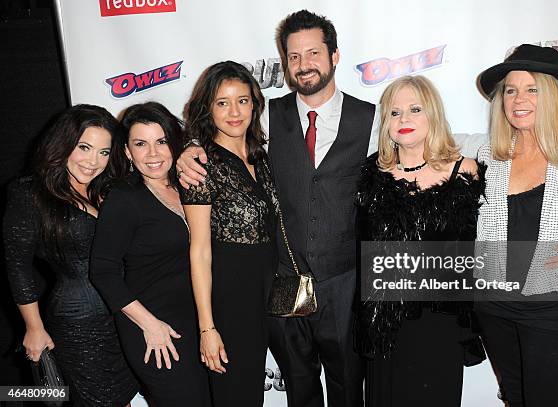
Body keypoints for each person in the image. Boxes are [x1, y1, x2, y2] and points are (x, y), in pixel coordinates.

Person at [177, 9, 378, 407]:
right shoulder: (265, 113)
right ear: (285, 63)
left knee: (348, 386)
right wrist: (189, 149)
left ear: (334, 56)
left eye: (313, 53)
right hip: (282, 283)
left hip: (345, 282)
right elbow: (223, 134)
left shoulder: (370, 118)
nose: (304, 65)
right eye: (294, 57)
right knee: (299, 386)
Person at [474, 44, 558, 407]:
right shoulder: (492, 153)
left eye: (532, 88)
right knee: (514, 398)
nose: (519, 99)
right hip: (494, 302)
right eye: (511, 89)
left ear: (552, 95)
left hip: (552, 304)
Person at [354, 75, 484, 406]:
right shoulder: (372, 176)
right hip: (386, 326)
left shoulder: (465, 171)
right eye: (395, 113)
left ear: (433, 115)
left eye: (415, 109)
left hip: (441, 326)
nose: (405, 119)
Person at [3, 104, 139, 406]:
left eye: (104, 152)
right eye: (84, 147)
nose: (93, 162)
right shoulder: (31, 193)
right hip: (79, 323)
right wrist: (34, 327)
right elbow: (18, 265)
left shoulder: (108, 189)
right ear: (63, 144)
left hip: (122, 317)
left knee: (121, 398)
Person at [90, 102, 209, 407]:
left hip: (198, 322)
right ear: (128, 152)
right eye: (141, 144)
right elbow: (103, 271)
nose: (153, 154)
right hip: (154, 331)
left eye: (161, 142)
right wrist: (150, 325)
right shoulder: (124, 198)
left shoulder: (188, 184)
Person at [180, 60, 278, 407]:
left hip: (263, 295)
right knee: (234, 394)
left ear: (255, 103)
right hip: (229, 297)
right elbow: (200, 251)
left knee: (249, 392)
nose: (234, 112)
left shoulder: (259, 157)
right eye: (222, 102)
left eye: (243, 100)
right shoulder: (201, 165)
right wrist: (207, 328)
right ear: (209, 109)